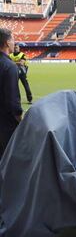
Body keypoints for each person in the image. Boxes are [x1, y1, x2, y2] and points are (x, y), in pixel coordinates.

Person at [0, 28, 23, 158]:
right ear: (7, 43)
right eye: (12, 39)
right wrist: (21, 120)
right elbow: (13, 102)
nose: (14, 42)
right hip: (6, 124)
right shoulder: (9, 66)